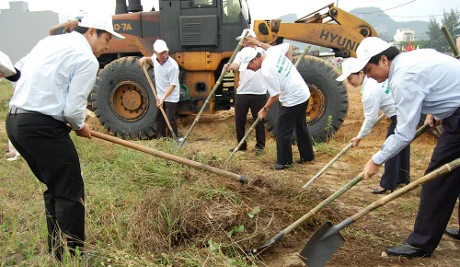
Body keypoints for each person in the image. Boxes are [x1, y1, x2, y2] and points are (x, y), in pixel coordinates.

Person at [5, 12, 124, 260]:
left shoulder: (49, 43)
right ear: (91, 32)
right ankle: (73, 255)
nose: (108, 46)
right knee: (70, 191)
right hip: (42, 128)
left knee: (56, 187)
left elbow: (17, 72)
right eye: (106, 39)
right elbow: (72, 110)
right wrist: (80, 126)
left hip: (16, 123)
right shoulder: (86, 60)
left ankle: (58, 251)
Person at [357, 37, 460, 258]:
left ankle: (420, 244)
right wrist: (438, 111)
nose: (368, 76)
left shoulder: (403, 78)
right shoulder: (411, 59)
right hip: (455, 112)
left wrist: (377, 159)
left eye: (369, 69)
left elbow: (405, 132)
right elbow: (443, 80)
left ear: (384, 59)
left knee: (436, 179)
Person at [336, 57, 410, 194]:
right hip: (403, 112)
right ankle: (402, 178)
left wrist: (359, 137)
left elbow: (370, 118)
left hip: (399, 115)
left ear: (361, 73)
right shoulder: (373, 82)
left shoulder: (370, 90)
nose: (349, 82)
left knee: (391, 146)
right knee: (401, 145)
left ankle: (387, 184)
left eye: (350, 78)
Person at [238, 45, 315, 170]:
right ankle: (307, 156)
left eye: (249, 66)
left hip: (293, 98)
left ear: (255, 60)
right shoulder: (272, 51)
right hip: (303, 92)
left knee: (282, 130)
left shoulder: (266, 71)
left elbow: (275, 95)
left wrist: (264, 109)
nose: (250, 69)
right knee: (300, 125)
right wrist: (289, 64)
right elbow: (288, 46)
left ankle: (284, 162)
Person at [139, 39, 180, 138]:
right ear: (155, 53)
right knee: (159, 118)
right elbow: (151, 59)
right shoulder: (155, 58)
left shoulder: (173, 66)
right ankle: (161, 138)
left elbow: (173, 85)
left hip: (171, 96)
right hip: (160, 95)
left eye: (165, 52)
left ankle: (172, 139)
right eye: (161, 53)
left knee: (170, 119)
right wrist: (144, 59)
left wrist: (163, 98)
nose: (164, 55)